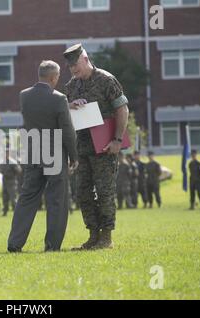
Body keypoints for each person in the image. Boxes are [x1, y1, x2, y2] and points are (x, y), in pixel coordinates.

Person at [7, 60, 78, 252]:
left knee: (27, 198)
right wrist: (74, 155)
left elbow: (41, 110)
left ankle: (15, 243)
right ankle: (52, 245)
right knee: (56, 200)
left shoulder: (24, 96)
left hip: (33, 152)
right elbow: (67, 129)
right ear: (54, 77)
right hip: (54, 152)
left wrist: (67, 105)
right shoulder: (59, 98)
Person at [63, 44, 129, 250]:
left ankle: (106, 237)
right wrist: (70, 106)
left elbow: (122, 109)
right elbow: (65, 114)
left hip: (105, 147)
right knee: (82, 193)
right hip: (82, 148)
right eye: (70, 67)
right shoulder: (72, 86)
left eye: (76, 65)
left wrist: (118, 140)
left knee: (104, 191)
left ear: (85, 59)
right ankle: (93, 235)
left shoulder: (106, 80)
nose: (74, 70)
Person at [0, 152, 21, 217]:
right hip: (5, 182)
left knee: (13, 198)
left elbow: (19, 170)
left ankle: (17, 213)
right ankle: (5, 212)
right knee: (5, 198)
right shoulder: (3, 162)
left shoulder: (13, 162)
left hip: (12, 182)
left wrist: (12, 173)